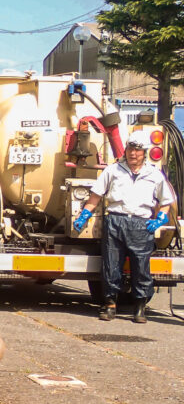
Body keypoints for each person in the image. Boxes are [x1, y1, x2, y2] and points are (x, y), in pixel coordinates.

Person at [73, 130, 174, 323]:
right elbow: (95, 197)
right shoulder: (112, 171)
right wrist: (84, 215)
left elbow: (166, 200)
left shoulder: (155, 175)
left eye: (137, 150)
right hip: (115, 221)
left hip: (141, 224)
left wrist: (160, 218)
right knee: (111, 265)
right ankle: (110, 304)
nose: (133, 153)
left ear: (144, 152)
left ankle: (140, 308)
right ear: (126, 150)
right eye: (130, 149)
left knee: (141, 267)